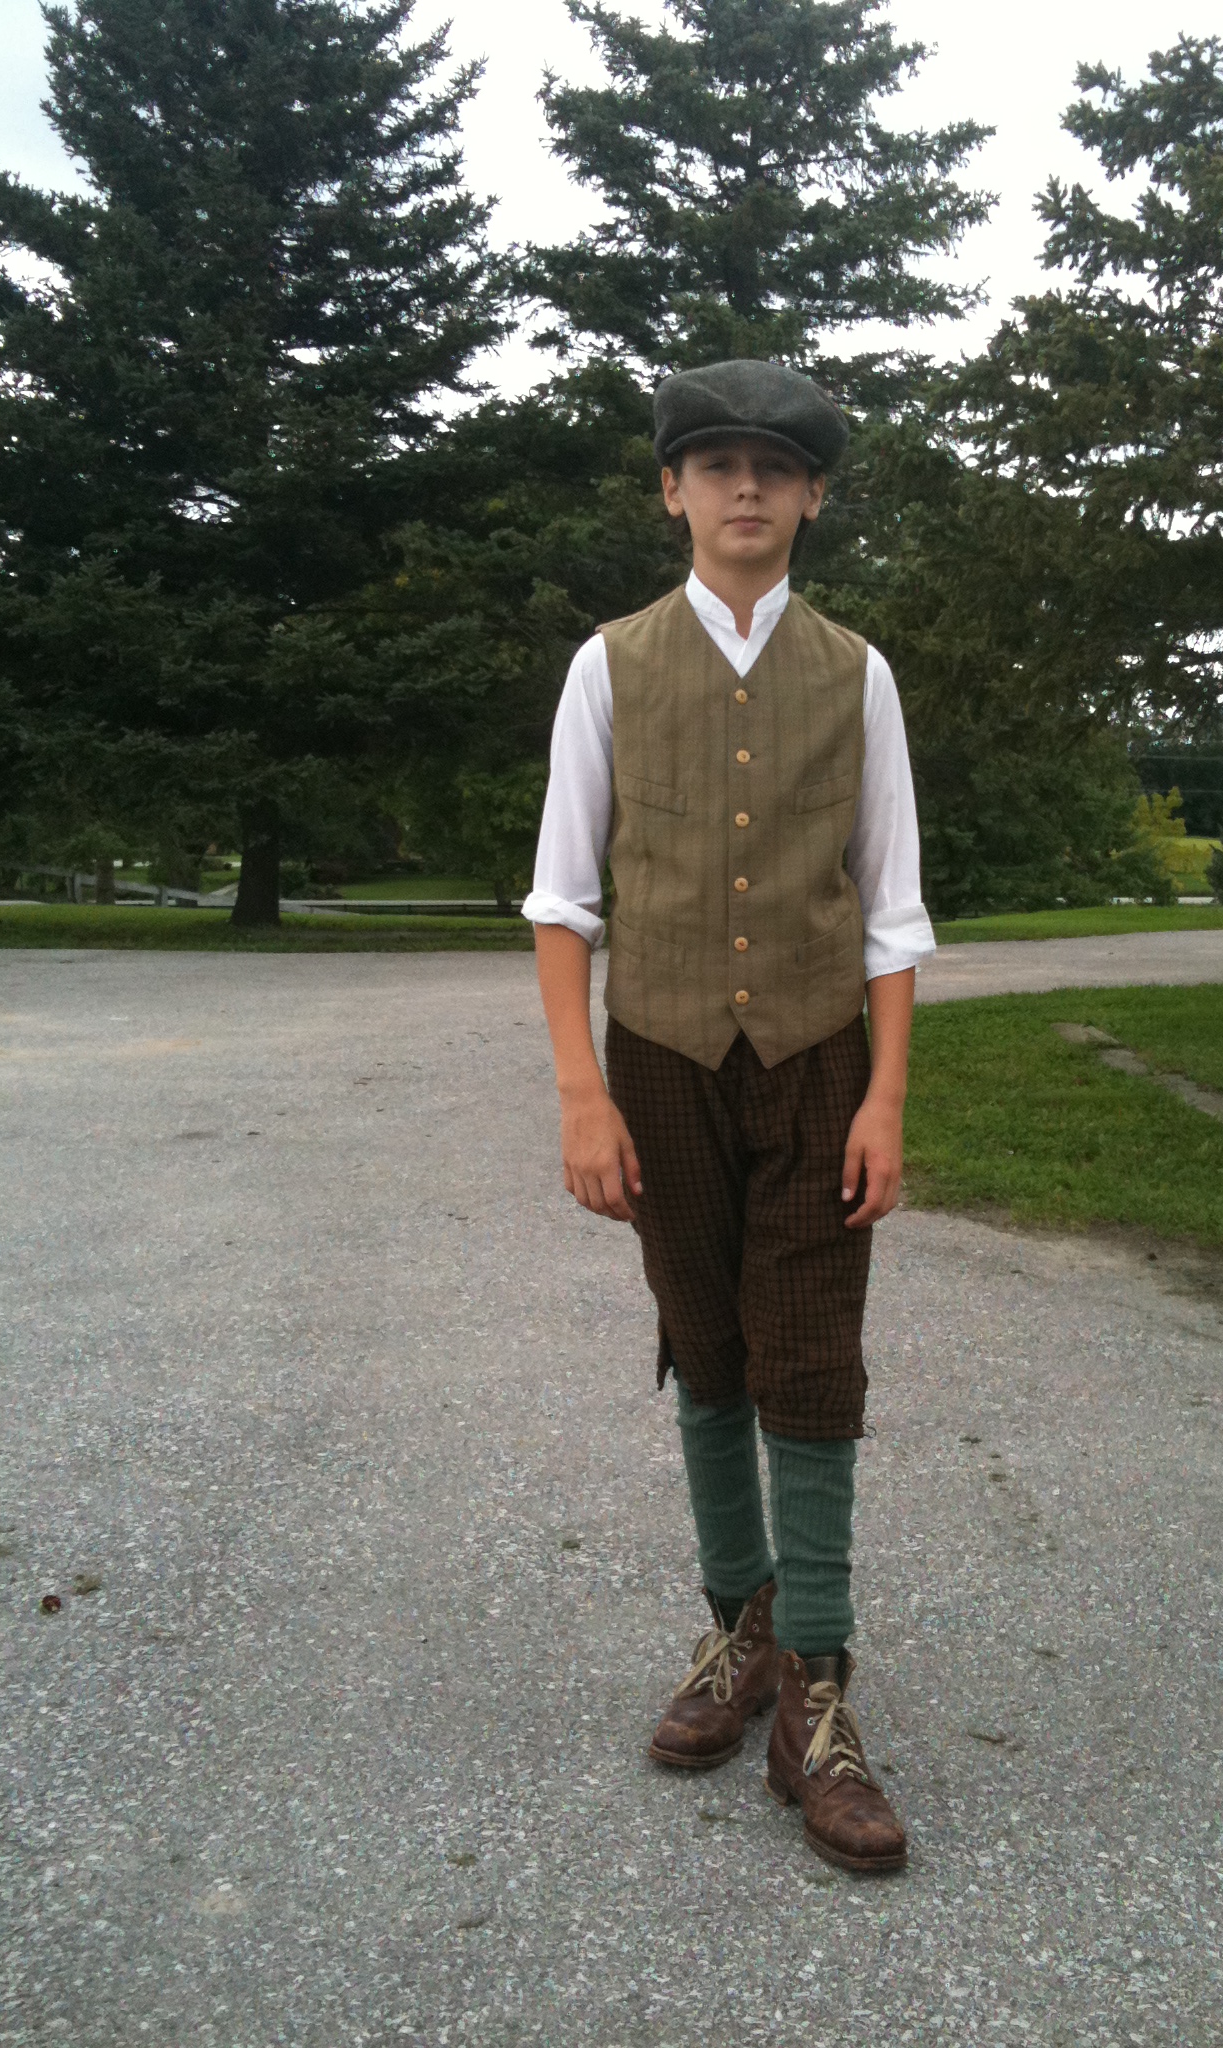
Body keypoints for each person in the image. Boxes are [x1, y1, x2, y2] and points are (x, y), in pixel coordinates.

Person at [523, 359, 934, 1874]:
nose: (745, 487)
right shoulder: (608, 665)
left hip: (823, 1056)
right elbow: (565, 903)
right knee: (705, 1341)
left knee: (812, 1357)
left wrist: (887, 1096)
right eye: (716, 464)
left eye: (775, 465)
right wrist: (583, 1092)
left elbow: (891, 910)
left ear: (814, 495)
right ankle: (736, 1629)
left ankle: (816, 1690)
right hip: (662, 1063)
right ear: (674, 491)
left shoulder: (859, 672)